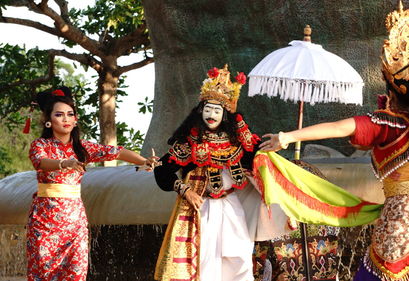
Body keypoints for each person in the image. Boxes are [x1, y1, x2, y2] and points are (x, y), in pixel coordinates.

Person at [259, 3, 409, 281]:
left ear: (390, 86)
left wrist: (287, 137)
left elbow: (340, 127)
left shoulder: (388, 124)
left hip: (402, 222)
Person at [153, 65, 291, 281]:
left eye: (217, 111)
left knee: (240, 257)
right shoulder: (190, 142)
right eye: (208, 109)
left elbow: (259, 157)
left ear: (226, 115)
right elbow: (162, 170)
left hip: (230, 206)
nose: (211, 115)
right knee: (205, 261)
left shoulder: (237, 142)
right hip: (201, 208)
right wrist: (185, 190)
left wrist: (280, 143)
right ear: (200, 111)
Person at [27, 86, 158, 281]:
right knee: (44, 274)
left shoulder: (83, 147)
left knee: (77, 271)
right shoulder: (40, 145)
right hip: (45, 221)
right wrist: (65, 163)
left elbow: (116, 152)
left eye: (70, 114)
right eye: (59, 114)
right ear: (48, 120)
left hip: (75, 222)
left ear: (75, 119)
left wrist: (144, 161)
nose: (66, 119)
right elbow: (41, 162)